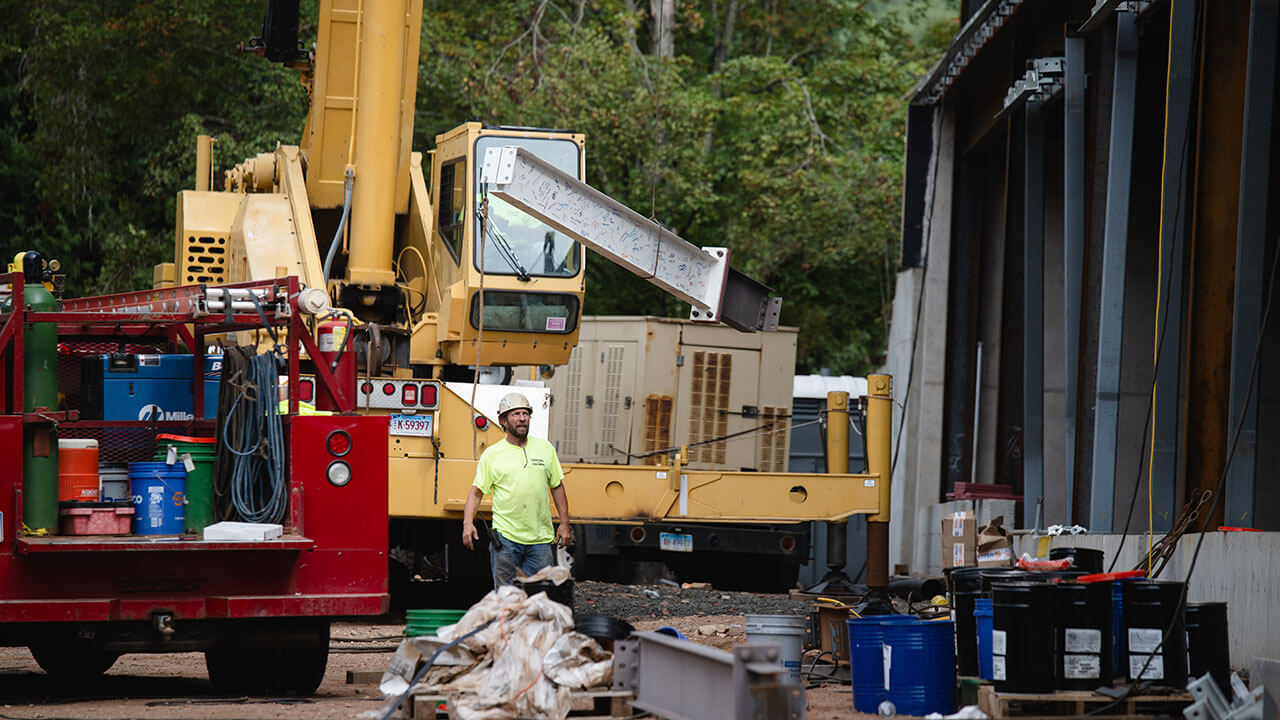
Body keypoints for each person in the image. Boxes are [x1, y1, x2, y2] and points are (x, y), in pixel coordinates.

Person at [462, 392, 572, 587]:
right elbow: (476, 492)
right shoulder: (493, 455)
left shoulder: (545, 449)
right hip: (506, 540)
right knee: (505, 598)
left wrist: (564, 524)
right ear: (504, 421)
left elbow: (557, 487)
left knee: (538, 598)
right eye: (515, 414)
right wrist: (467, 524)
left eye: (525, 413)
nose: (522, 418)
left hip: (540, 540)